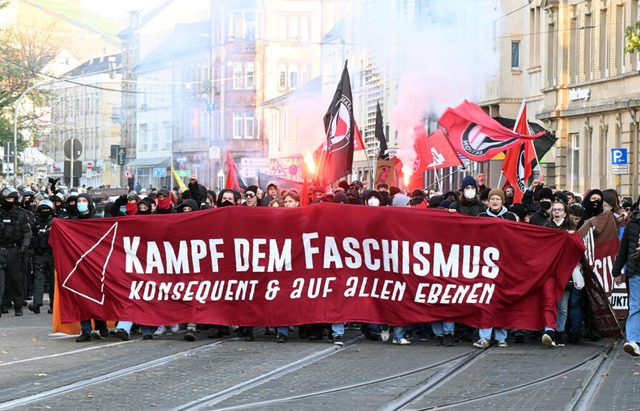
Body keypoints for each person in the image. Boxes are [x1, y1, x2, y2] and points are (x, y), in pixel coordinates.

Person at [474, 188, 517, 349]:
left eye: (498, 199)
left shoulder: (510, 216)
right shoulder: (482, 217)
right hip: (486, 266)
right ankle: (484, 335)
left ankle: (501, 337)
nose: (495, 201)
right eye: (492, 199)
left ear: (502, 201)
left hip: (505, 266)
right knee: (485, 301)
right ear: (488, 201)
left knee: (502, 302)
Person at [72, 193, 109, 342]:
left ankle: (101, 325)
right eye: (78, 201)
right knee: (81, 298)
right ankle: (85, 330)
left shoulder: (97, 221)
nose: (81, 203)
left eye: (84, 201)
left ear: (89, 203)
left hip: (95, 265)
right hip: (78, 265)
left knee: (96, 297)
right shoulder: (72, 222)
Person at [542, 200, 577, 347]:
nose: (556, 212)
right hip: (549, 271)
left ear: (565, 212)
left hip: (565, 272)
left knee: (562, 306)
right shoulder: (546, 227)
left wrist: (571, 236)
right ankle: (549, 331)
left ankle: (559, 333)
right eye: (554, 209)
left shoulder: (571, 228)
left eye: (559, 209)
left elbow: (577, 247)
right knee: (549, 301)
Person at [612, 206, 640, 357]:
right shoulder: (632, 224)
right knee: (635, 305)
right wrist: (616, 271)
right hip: (636, 271)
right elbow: (623, 249)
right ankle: (633, 340)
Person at [0, 188, 32, 318]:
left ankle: (18, 306)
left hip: (14, 251)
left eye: (12, 199)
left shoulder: (20, 214)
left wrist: (24, 245)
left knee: (15, 279)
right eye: (8, 199)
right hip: (0, 249)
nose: (10, 201)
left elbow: (27, 232)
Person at [28, 200, 56, 315]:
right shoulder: (36, 224)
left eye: (47, 210)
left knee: (53, 281)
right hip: (39, 254)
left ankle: (54, 305)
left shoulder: (55, 223)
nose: (44, 212)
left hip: (52, 255)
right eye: (42, 210)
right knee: (38, 279)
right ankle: (37, 304)